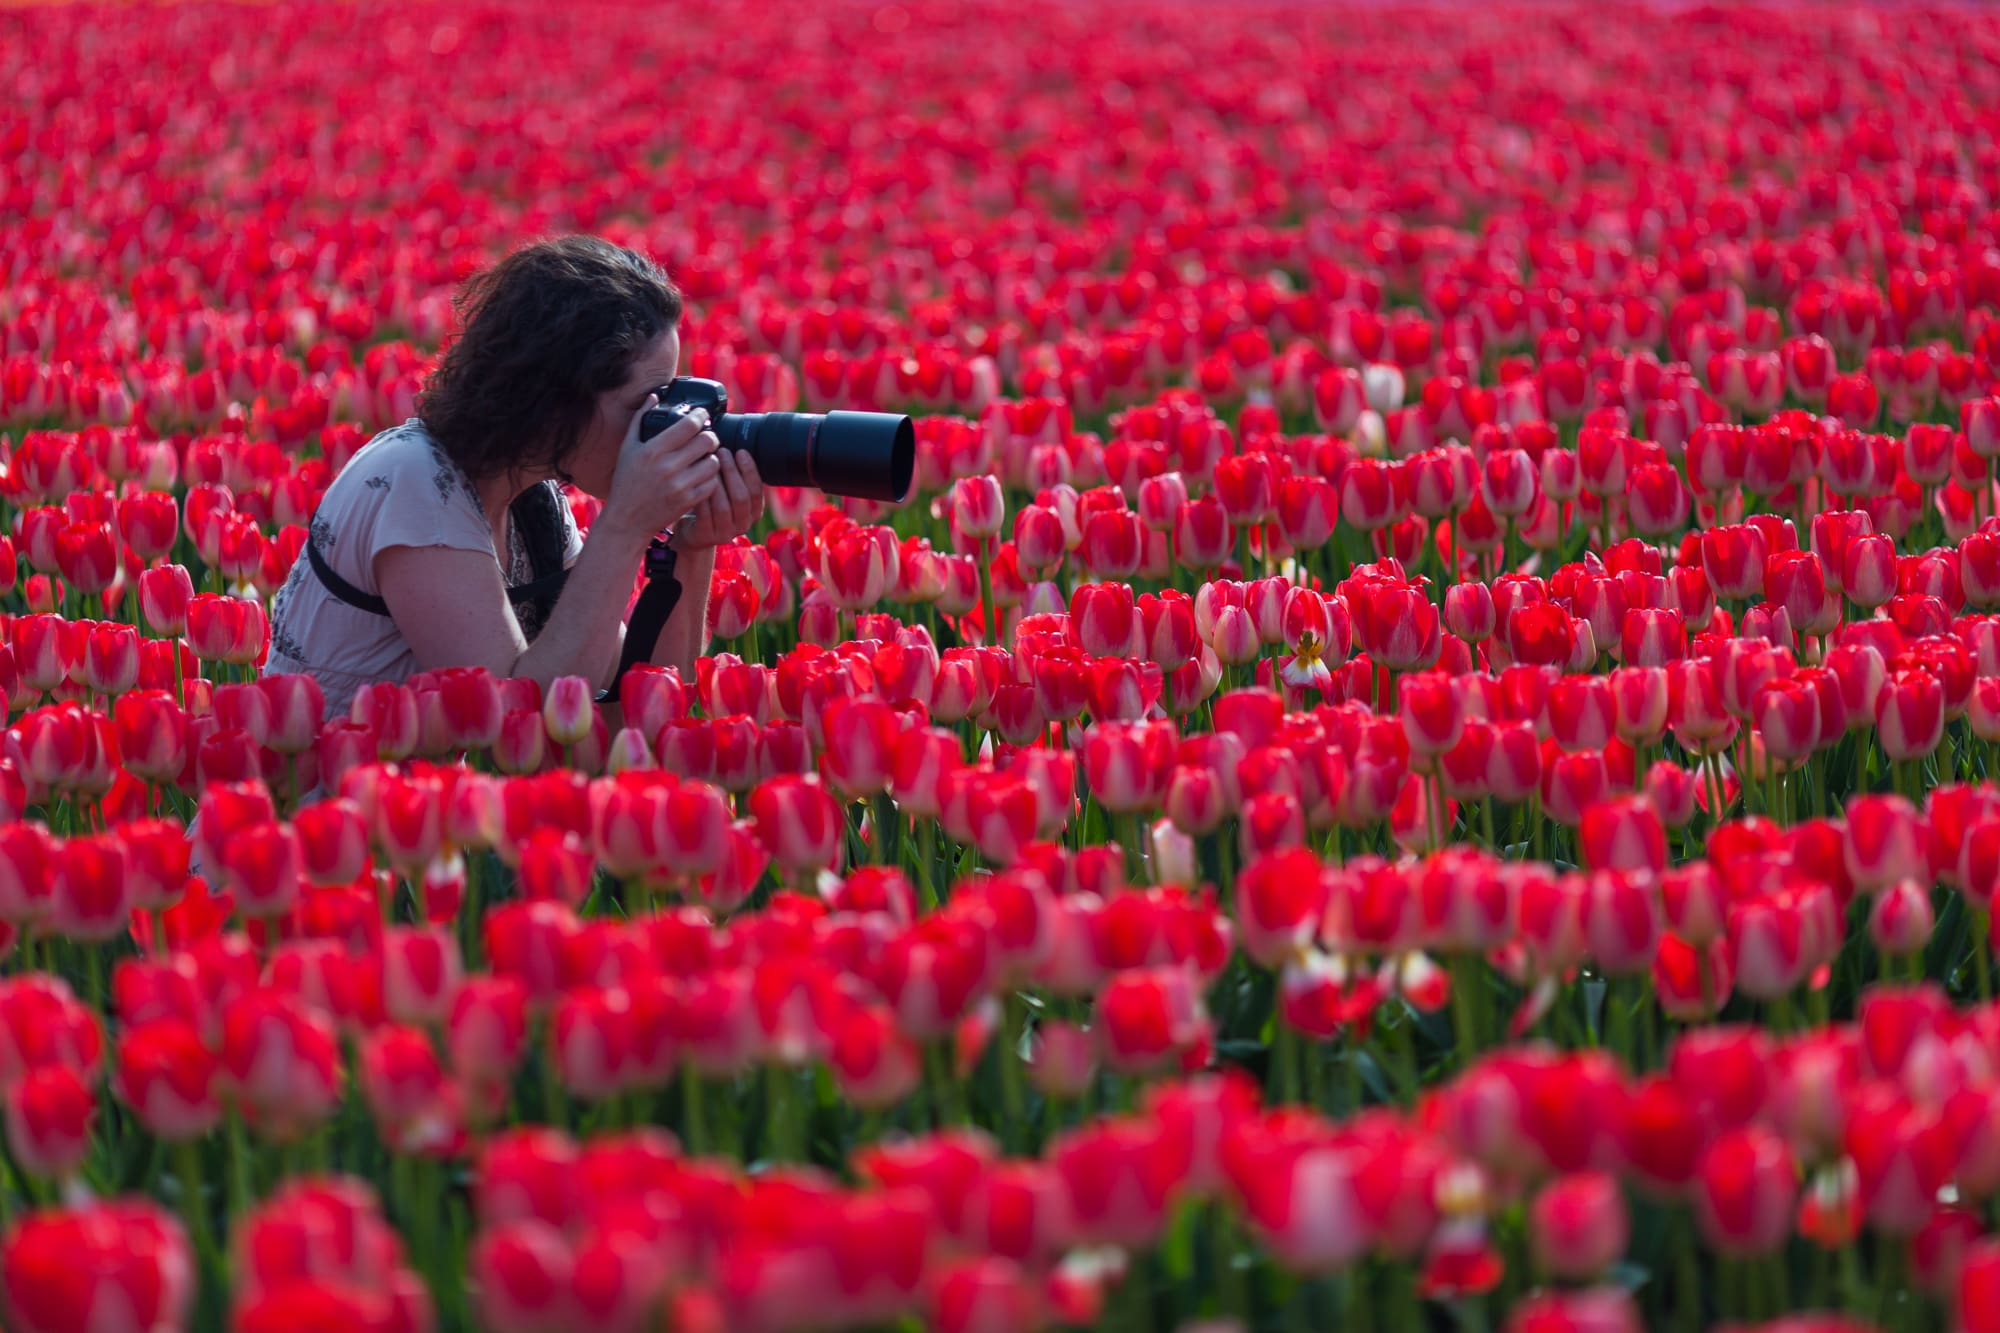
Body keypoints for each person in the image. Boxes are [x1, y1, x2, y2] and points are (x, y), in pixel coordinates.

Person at [262, 236, 762, 720]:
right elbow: (513, 717)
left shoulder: (535, 502)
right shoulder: (414, 482)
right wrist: (625, 525)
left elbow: (628, 716)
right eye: (642, 406)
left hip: (418, 802)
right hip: (305, 799)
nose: (660, 427)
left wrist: (689, 548)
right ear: (555, 400)